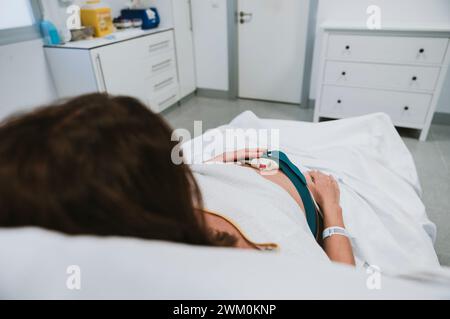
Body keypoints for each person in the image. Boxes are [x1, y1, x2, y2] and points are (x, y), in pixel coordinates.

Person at [0, 93, 355, 266]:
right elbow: (343, 289)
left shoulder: (151, 220)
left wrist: (225, 160)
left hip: (246, 166)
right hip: (295, 189)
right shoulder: (263, 270)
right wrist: (332, 208)